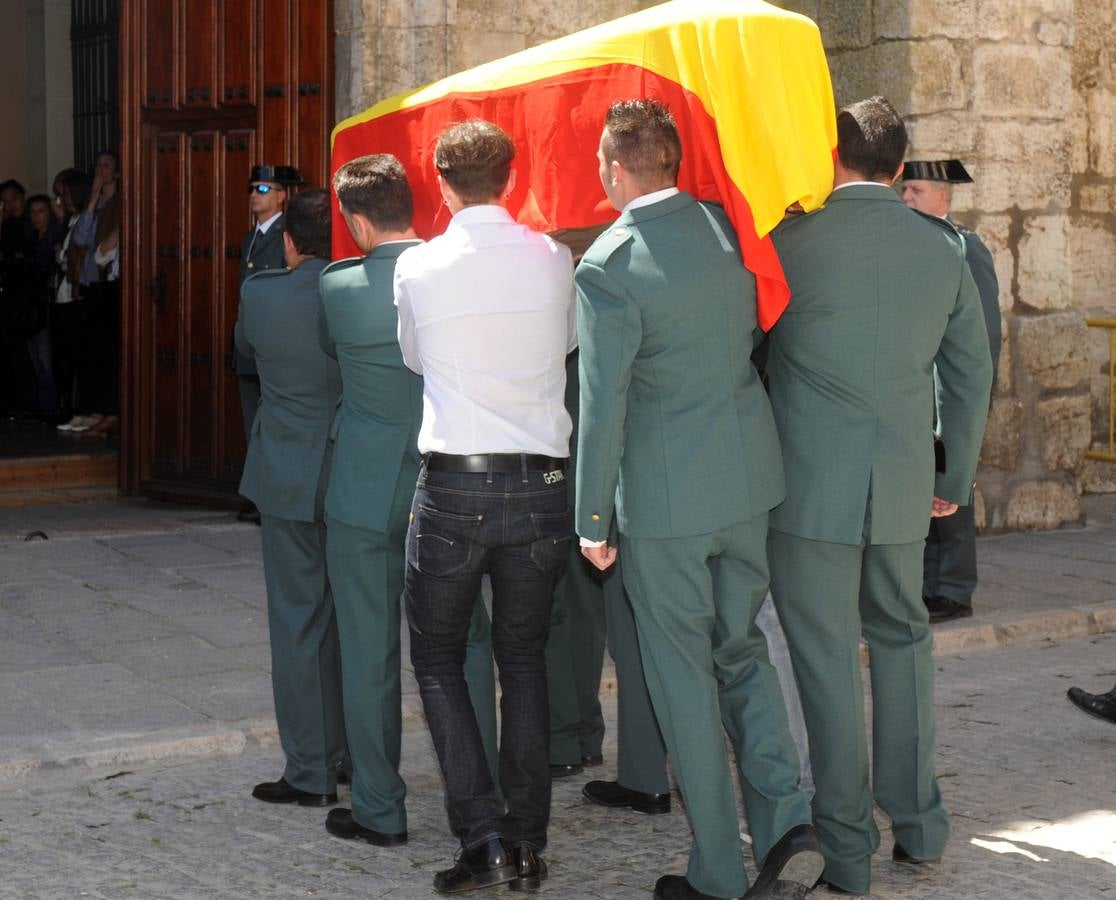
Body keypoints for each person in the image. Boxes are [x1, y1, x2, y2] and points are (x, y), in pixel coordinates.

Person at [576, 99, 821, 900]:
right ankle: (788, 822)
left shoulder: (608, 264)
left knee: (683, 676)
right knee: (742, 648)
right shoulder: (726, 228)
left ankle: (717, 871)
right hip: (746, 477)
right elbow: (750, 329)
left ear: (615, 170)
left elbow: (603, 400)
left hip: (667, 497)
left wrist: (591, 519)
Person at [766, 96, 994, 895]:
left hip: (806, 489)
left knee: (825, 658)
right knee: (902, 643)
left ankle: (846, 844)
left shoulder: (789, 240)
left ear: (832, 155)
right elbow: (970, 373)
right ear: (901, 169)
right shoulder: (945, 249)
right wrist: (952, 480)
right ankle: (921, 823)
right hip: (901, 481)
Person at [395, 119, 575, 894]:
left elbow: (412, 356)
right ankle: (527, 837)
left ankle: (483, 837)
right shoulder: (552, 256)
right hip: (540, 482)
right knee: (524, 659)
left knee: (438, 660)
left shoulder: (418, 267)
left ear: (440, 183)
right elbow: (566, 344)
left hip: (457, 483)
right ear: (509, 176)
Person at [317, 153, 499, 847]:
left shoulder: (339, 286)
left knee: (368, 648)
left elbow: (327, 350)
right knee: (468, 641)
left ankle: (378, 807)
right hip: (448, 477)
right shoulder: (454, 271)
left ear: (356, 221)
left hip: (365, 485)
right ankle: (484, 802)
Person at [234, 188, 347, 809]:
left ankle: (309, 768)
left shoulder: (261, 292)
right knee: (356, 621)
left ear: (288, 241)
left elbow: (246, 354)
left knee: (297, 621)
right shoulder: (364, 291)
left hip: (285, 471)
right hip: (352, 472)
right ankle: (358, 755)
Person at [901, 159, 1002, 624]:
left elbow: (983, 336)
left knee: (952, 487)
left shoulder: (965, 248)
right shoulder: (911, 245)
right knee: (921, 491)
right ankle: (924, 584)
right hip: (916, 391)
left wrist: (972, 403)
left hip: (951, 393)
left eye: (916, 190)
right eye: (905, 189)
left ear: (943, 196)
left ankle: (953, 588)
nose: (907, 198)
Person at [232, 164, 305, 523]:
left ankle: (273, 500)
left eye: (263, 189)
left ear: (282, 196)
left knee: (274, 426)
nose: (254, 195)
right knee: (253, 425)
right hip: (250, 347)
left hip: (271, 348)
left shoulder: (284, 236)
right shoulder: (252, 238)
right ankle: (260, 497)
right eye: (252, 188)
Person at [69, 150, 121, 435]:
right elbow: (80, 238)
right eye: (98, 165)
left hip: (110, 284)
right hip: (91, 285)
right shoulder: (97, 204)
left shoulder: (122, 201)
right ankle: (90, 408)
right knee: (89, 352)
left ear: (117, 170)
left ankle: (108, 410)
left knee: (106, 353)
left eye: (107, 165)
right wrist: (92, 198)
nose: (102, 170)